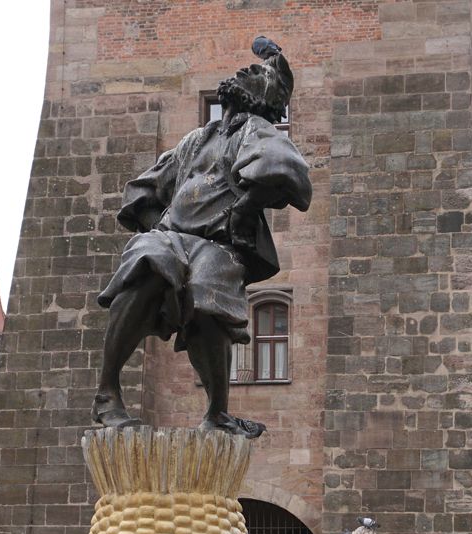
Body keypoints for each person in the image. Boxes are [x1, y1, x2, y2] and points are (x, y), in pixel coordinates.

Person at [94, 37, 311, 438]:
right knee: (147, 258)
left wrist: (245, 208)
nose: (244, 72)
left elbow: (284, 168)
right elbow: (143, 190)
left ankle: (217, 411)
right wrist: (160, 225)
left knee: (210, 292)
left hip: (219, 245)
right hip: (172, 236)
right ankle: (107, 391)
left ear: (262, 99)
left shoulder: (255, 129)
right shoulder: (197, 139)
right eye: (248, 69)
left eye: (256, 73)